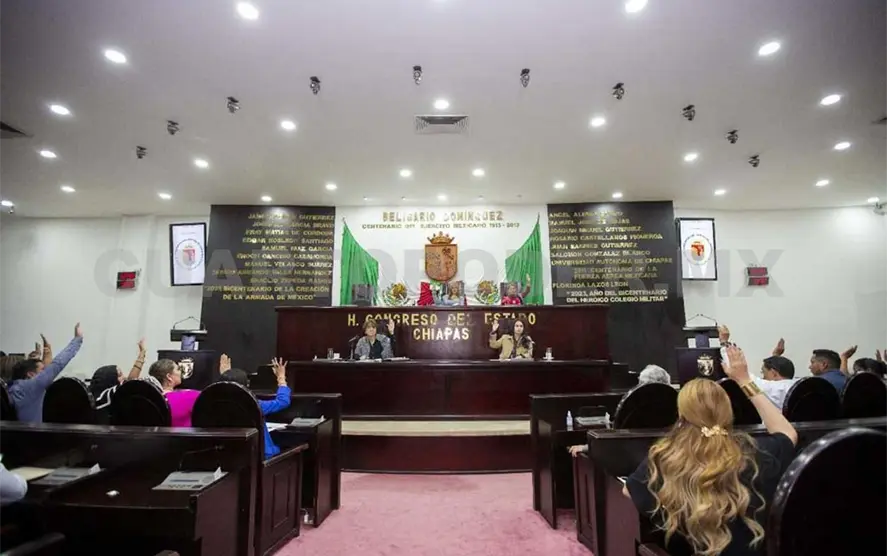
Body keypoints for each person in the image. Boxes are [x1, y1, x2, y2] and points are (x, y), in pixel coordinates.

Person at [624, 345, 798, 556]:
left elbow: (629, 491)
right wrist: (745, 381)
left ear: (682, 415)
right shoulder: (757, 452)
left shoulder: (665, 456)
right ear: (729, 411)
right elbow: (787, 432)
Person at [8, 323, 83, 423]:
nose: (45, 373)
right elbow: (57, 364)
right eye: (43, 370)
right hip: (31, 433)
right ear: (31, 374)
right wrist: (77, 340)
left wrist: (46, 354)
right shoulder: (31, 387)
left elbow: (48, 369)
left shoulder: (11, 388)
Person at [220, 355, 291, 459]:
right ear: (247, 385)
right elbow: (283, 401)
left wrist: (226, 377)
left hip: (230, 456)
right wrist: (281, 378)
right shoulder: (253, 404)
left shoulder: (216, 405)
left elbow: (227, 390)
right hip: (261, 456)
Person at [89, 338, 148, 411]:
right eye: (120, 375)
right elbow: (130, 383)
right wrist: (142, 355)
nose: (124, 377)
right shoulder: (104, 396)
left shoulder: (90, 394)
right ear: (110, 379)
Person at [149, 359, 201, 427]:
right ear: (169, 377)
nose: (180, 372)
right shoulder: (190, 396)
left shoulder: (149, 399)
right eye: (178, 369)